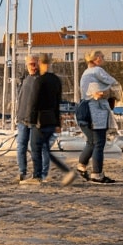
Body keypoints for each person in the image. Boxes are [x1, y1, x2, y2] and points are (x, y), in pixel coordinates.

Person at [34, 53, 78, 186]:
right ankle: (45, 174)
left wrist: (33, 120)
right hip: (52, 118)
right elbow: (57, 103)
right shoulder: (56, 80)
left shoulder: (39, 81)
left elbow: (35, 103)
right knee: (45, 148)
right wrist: (58, 123)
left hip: (41, 119)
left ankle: (42, 175)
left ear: (40, 64)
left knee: (41, 148)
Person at [76, 50, 119, 184]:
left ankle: (81, 165)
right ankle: (97, 173)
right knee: (99, 143)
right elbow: (112, 83)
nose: (104, 59)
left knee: (91, 141)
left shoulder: (85, 74)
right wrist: (110, 92)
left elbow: (88, 92)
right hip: (97, 110)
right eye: (102, 56)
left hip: (84, 109)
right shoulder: (97, 71)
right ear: (97, 59)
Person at [14, 55, 42, 183]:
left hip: (35, 120)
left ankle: (37, 174)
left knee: (35, 147)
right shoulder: (25, 80)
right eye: (30, 64)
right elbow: (20, 99)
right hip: (22, 118)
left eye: (34, 64)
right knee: (21, 146)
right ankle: (22, 172)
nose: (33, 66)